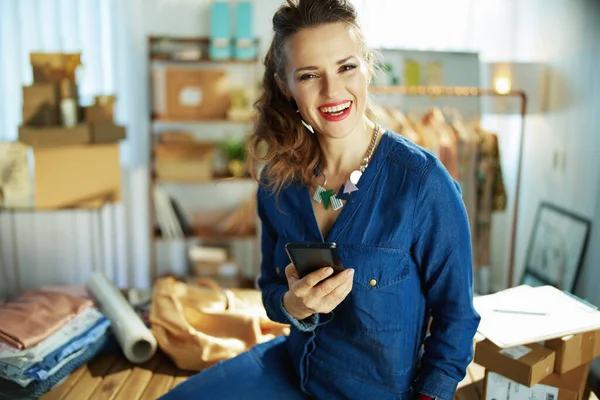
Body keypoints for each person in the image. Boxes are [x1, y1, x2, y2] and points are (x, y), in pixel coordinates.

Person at [160, 0, 479, 399]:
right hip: (291, 371)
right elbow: (271, 290)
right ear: (285, 86)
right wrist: (293, 305)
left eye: (346, 67)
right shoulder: (279, 181)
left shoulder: (423, 183)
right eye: (309, 75)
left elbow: (458, 317)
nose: (332, 91)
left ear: (367, 67)